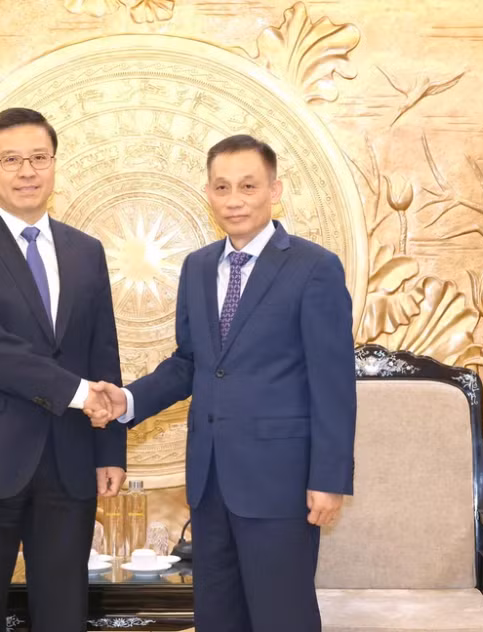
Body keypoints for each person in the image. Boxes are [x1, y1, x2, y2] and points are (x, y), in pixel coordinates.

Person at [89, 135, 356, 632]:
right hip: (210, 481)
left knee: (283, 616)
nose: (234, 199)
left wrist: (329, 479)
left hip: (282, 482)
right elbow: (190, 363)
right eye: (222, 186)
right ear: (207, 193)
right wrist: (127, 400)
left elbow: (334, 382)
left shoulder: (314, 267)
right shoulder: (197, 267)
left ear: (274, 191)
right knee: (217, 616)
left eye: (248, 186)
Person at [0, 107, 126, 632]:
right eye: (10, 159)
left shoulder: (87, 251)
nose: (26, 170)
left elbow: (103, 351)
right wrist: (80, 394)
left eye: (38, 157)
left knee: (64, 613)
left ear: (55, 164)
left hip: (71, 456)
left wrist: (110, 451)